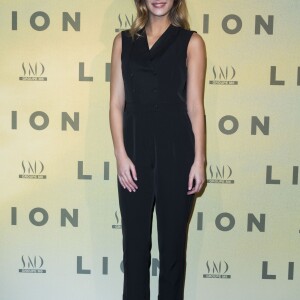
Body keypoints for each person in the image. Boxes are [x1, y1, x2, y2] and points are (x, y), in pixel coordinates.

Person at [109, 0, 206, 299]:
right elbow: (115, 104)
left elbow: (194, 106)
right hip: (134, 156)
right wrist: (121, 156)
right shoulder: (123, 41)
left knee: (173, 251)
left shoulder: (191, 42)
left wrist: (199, 161)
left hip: (178, 155)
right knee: (135, 248)